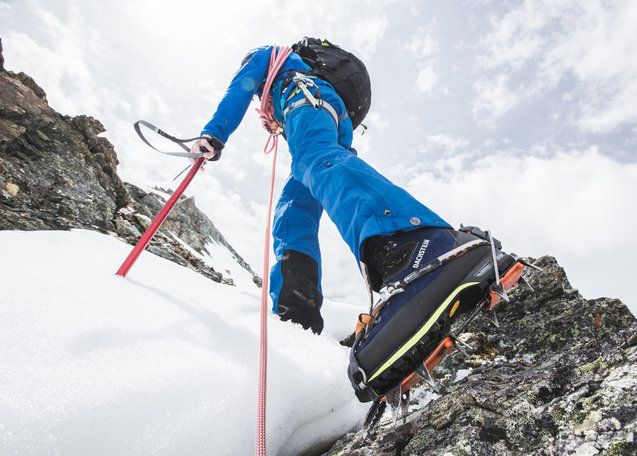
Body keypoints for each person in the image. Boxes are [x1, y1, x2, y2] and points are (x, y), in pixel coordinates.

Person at [191, 42, 517, 350]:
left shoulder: (269, 55)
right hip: (326, 113)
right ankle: (296, 313)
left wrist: (212, 135)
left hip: (307, 99)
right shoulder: (294, 71)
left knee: (314, 160)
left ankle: (416, 247)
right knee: (293, 210)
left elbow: (240, 88)